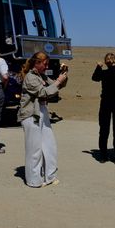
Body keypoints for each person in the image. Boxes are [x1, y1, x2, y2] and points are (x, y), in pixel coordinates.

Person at [18, 51, 69, 187]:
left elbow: (56, 87)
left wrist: (63, 76)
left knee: (49, 145)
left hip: (42, 112)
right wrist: (58, 82)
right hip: (31, 114)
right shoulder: (30, 77)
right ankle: (34, 180)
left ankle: (50, 176)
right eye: (45, 64)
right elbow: (43, 92)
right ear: (37, 63)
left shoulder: (42, 76)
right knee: (34, 149)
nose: (47, 67)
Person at [91, 52, 115, 162]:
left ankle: (103, 155)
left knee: (104, 129)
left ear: (106, 62)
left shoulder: (104, 73)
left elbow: (95, 78)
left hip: (106, 102)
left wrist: (98, 67)